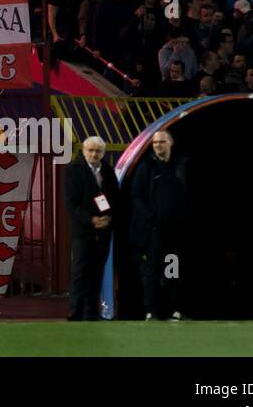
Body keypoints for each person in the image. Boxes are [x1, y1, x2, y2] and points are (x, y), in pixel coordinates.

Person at [129, 129, 189, 321]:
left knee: (172, 271)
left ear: (171, 143)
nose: (158, 146)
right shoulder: (146, 167)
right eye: (155, 143)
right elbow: (136, 197)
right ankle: (151, 312)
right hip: (153, 233)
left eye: (161, 142)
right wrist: (150, 216)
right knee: (151, 272)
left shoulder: (182, 165)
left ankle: (175, 310)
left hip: (174, 234)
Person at [64, 136, 120, 320]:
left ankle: (92, 311)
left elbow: (114, 198)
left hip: (104, 229)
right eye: (91, 150)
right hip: (83, 230)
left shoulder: (108, 171)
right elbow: (72, 203)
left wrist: (108, 218)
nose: (94, 154)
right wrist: (91, 220)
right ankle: (76, 311)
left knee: (97, 271)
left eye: (98, 151)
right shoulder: (73, 170)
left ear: (103, 153)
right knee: (80, 271)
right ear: (84, 151)